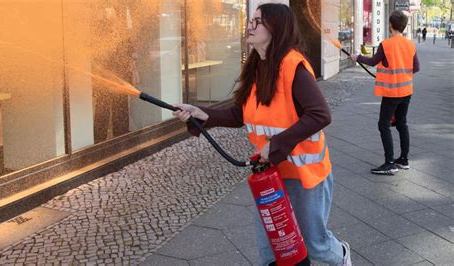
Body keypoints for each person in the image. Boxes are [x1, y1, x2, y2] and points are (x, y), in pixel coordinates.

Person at [173, 4, 351, 266]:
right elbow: (240, 114)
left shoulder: (293, 66)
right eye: (251, 20)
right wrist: (202, 113)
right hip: (270, 173)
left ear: (276, 27)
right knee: (271, 250)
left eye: (257, 21)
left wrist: (277, 144)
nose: (250, 25)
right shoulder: (257, 67)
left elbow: (320, 115)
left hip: (306, 176)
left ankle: (342, 255)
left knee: (316, 247)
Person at [350, 10, 419, 175]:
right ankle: (403, 160)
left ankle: (389, 163)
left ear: (390, 25)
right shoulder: (410, 44)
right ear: (403, 26)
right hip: (406, 91)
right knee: (402, 123)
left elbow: (373, 61)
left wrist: (357, 57)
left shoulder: (386, 44)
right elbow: (415, 67)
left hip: (391, 93)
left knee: (384, 125)